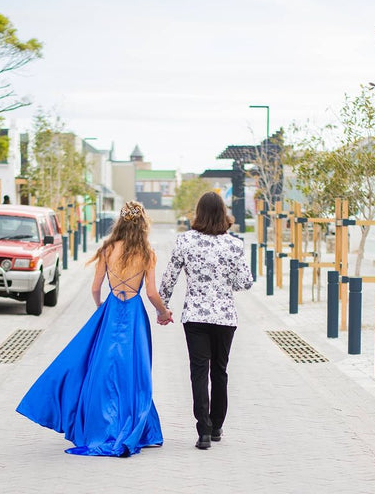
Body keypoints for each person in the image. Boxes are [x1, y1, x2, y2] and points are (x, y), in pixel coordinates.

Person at [16, 201, 173, 457]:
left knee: (101, 368)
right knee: (134, 372)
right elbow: (153, 293)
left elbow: (94, 288)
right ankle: (135, 426)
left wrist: (102, 306)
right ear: (143, 224)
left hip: (111, 311)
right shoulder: (147, 253)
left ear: (120, 222)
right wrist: (163, 312)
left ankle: (101, 423)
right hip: (134, 314)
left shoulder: (108, 249)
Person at [159, 191, 253, 450]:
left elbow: (169, 277)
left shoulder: (185, 241)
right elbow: (245, 282)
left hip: (196, 316)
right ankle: (218, 425)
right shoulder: (234, 244)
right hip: (225, 317)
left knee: (199, 372)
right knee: (220, 371)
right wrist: (225, 281)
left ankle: (203, 430)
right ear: (223, 214)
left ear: (198, 214)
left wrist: (163, 307)